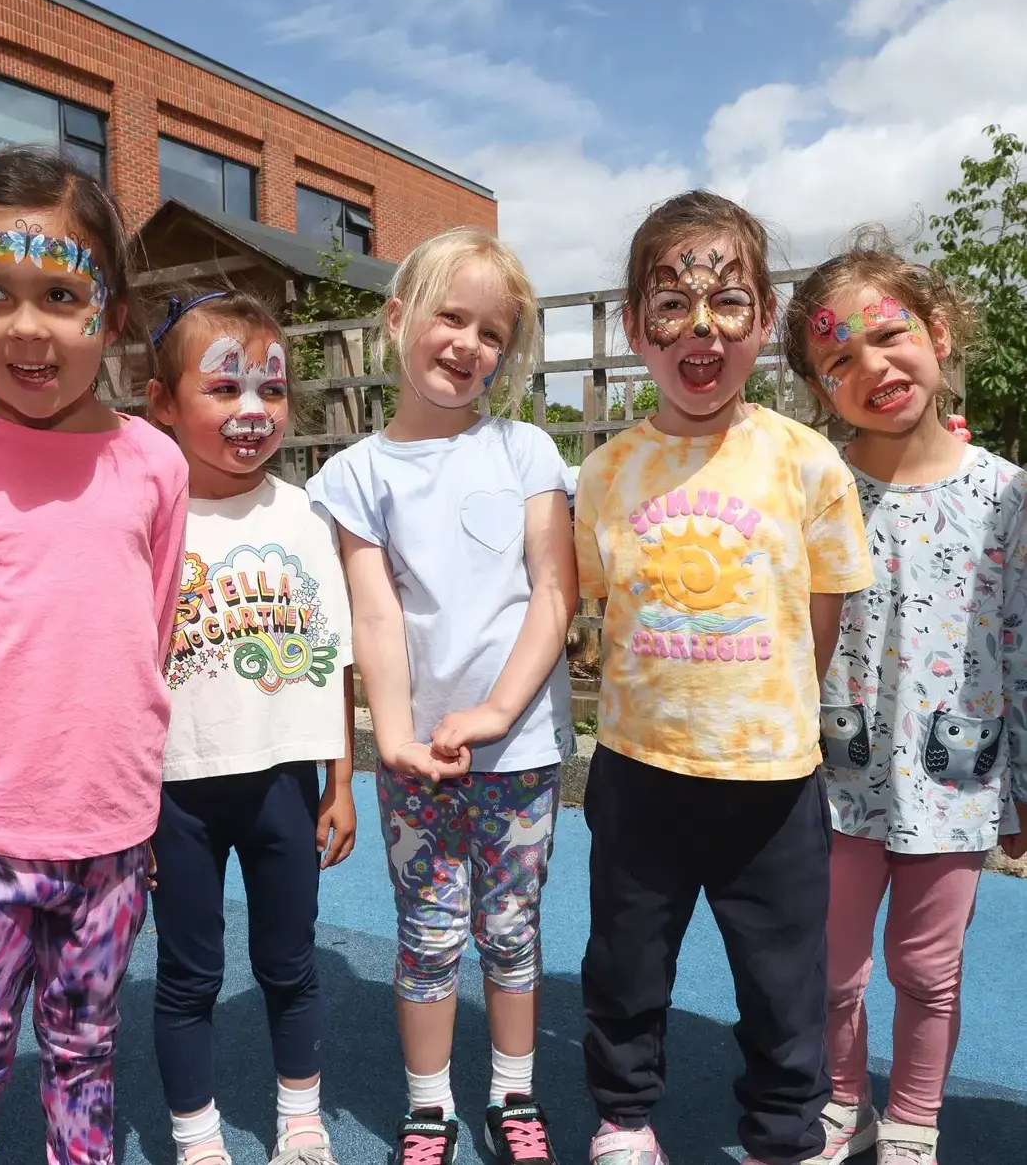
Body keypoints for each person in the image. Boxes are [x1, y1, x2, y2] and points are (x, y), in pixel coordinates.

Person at [0, 146, 189, 1164]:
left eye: (60, 293)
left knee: (83, 1056)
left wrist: (117, 775)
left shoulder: (153, 460)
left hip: (110, 833)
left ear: (111, 307)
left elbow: (153, 627)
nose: (26, 327)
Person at [573, 191, 875, 1165]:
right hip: (635, 774)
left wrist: (765, 720)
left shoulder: (805, 463)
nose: (698, 327)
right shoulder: (605, 472)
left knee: (783, 983)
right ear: (631, 326)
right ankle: (622, 1121)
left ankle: (780, 1137)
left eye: (726, 301)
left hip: (771, 786)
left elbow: (819, 616)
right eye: (670, 303)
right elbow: (589, 604)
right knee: (624, 965)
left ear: (760, 319)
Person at [308, 228, 576, 1165]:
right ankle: (430, 1106)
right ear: (398, 320)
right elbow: (374, 616)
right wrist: (392, 734)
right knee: (426, 934)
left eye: (491, 330)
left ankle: (514, 1094)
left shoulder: (527, 450)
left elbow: (554, 592)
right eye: (449, 316)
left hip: (522, 751)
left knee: (511, 929)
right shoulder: (355, 476)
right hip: (416, 757)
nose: (467, 343)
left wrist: (499, 712)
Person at [782, 238, 1027, 1165]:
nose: (872, 366)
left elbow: (1023, 642)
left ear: (940, 329)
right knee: (834, 970)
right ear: (818, 386)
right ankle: (842, 1102)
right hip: (833, 781)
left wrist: (1024, 783)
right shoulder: (813, 486)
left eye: (890, 336)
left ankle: (915, 1122)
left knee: (928, 970)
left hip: (957, 783)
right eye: (839, 359)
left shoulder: (1007, 494)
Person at [142, 289, 357, 1165]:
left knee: (290, 963)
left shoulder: (308, 516)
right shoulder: (148, 515)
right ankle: (195, 1136)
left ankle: (299, 1121)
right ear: (161, 405)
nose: (252, 411)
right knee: (189, 976)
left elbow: (334, 652)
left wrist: (342, 783)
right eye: (224, 389)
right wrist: (128, 804)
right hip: (175, 790)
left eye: (271, 389)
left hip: (283, 784)